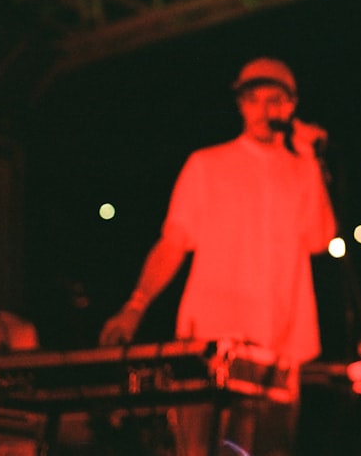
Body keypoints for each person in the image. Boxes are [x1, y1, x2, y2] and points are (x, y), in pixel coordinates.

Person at [99, 57, 337, 456]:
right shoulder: (207, 165)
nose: (264, 110)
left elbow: (320, 238)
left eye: (275, 99)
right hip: (209, 346)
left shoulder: (302, 172)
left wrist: (311, 159)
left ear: (292, 106)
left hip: (278, 351)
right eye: (253, 99)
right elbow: (173, 242)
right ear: (241, 105)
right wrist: (136, 305)